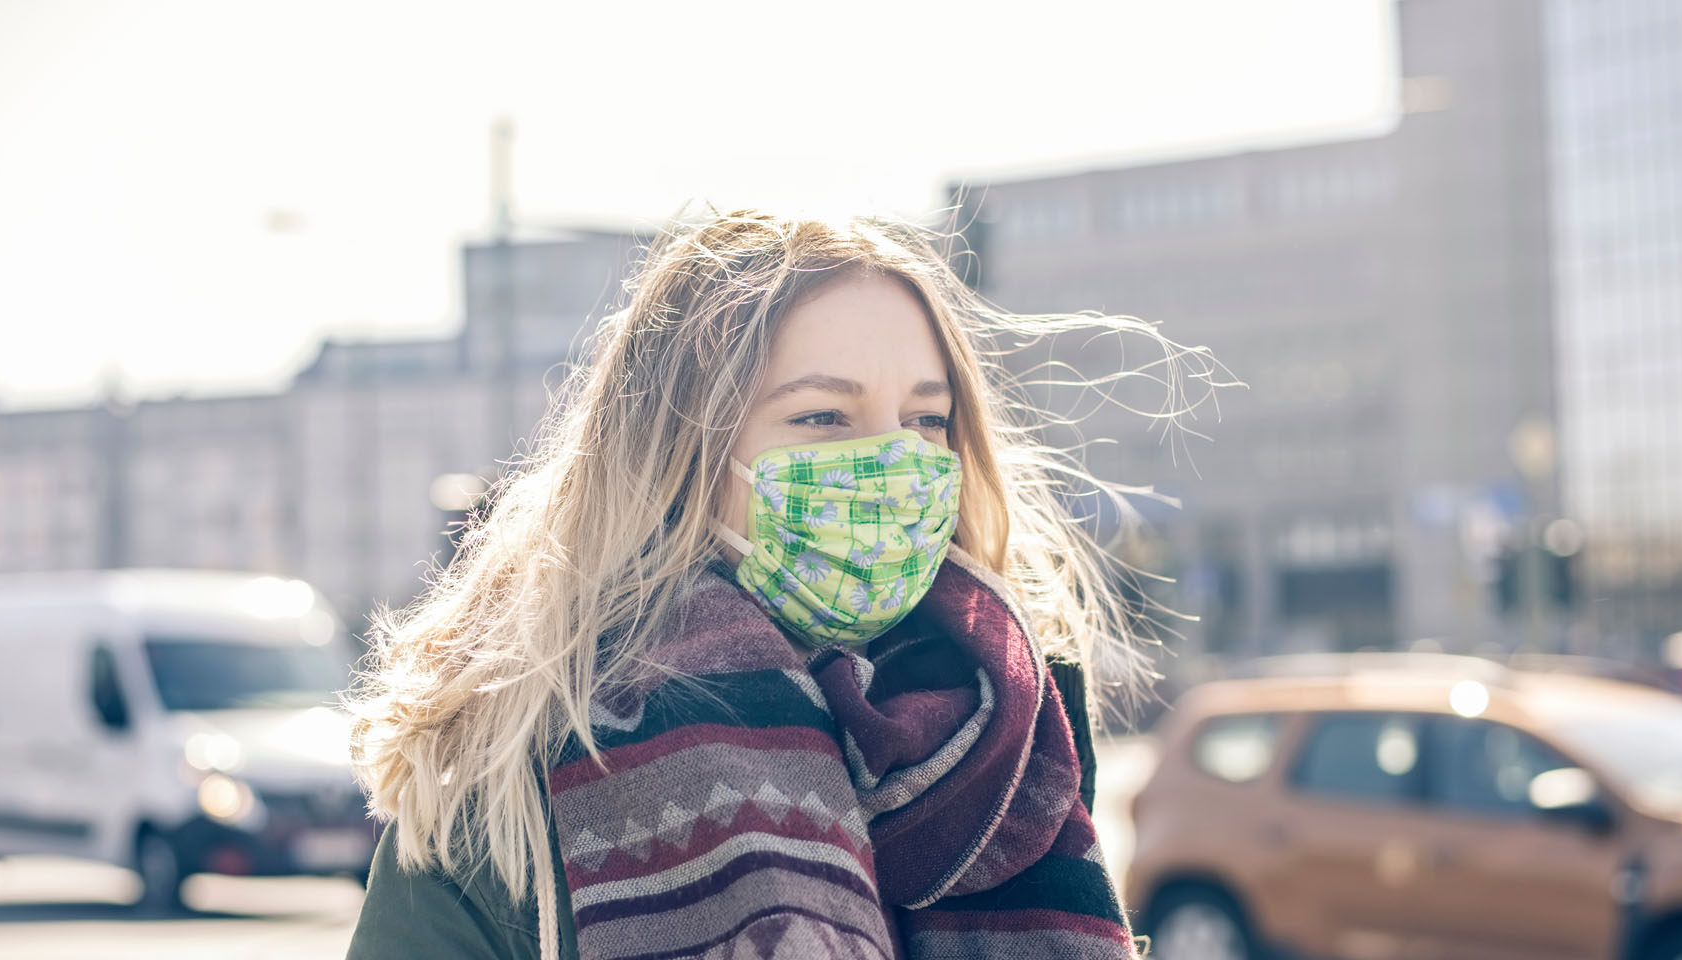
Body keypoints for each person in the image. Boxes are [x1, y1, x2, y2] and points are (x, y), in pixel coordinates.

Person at [345, 209, 1212, 959]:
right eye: (822, 417)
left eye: (926, 420)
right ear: (680, 458)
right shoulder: (517, 776)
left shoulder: (1012, 740)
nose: (892, 461)